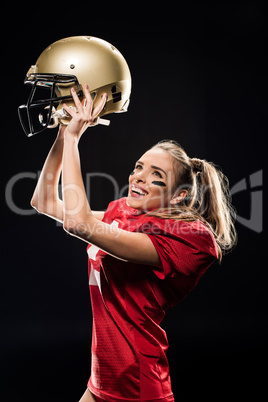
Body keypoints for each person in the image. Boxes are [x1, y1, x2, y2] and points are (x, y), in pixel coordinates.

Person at [31, 85, 237, 402]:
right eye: (139, 166)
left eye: (156, 174)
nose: (139, 176)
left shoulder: (190, 238)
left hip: (137, 385)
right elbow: (43, 201)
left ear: (180, 195)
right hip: (101, 379)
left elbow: (78, 222)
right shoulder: (123, 213)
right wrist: (63, 133)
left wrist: (74, 140)